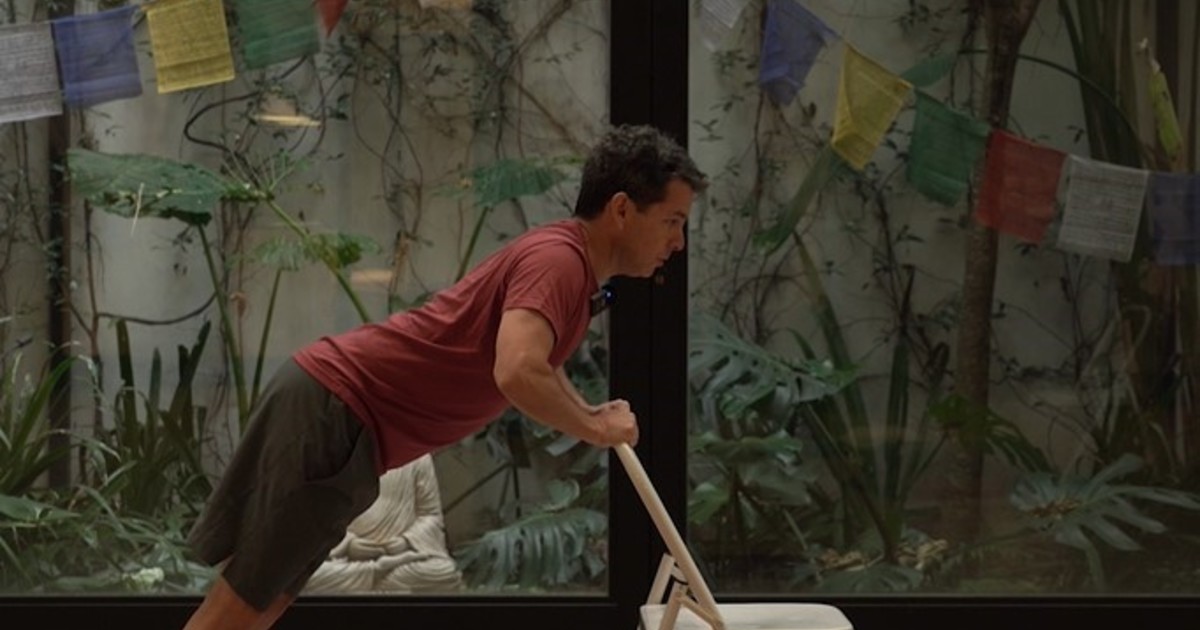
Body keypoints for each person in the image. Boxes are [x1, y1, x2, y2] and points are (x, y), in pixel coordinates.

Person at [181, 123, 707, 630]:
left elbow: (538, 364)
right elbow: (517, 370)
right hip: (334, 410)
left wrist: (590, 412)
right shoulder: (559, 263)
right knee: (238, 609)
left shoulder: (568, 264)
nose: (678, 242)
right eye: (672, 221)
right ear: (621, 209)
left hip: (341, 417)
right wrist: (593, 428)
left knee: (264, 604)